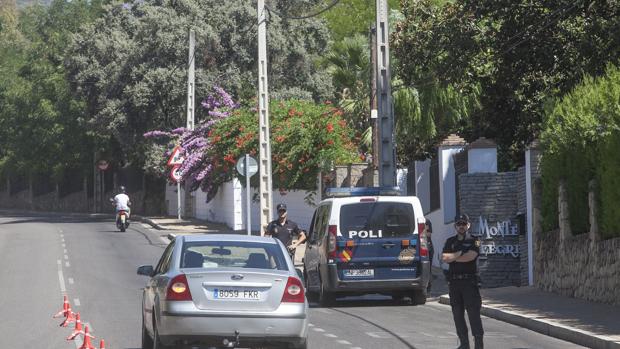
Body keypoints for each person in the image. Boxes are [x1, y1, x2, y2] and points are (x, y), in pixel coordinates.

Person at [441, 214, 484, 349]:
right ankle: (464, 344)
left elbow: (471, 257)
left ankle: (478, 345)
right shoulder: (449, 241)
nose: (461, 226)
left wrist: (453, 256)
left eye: (464, 224)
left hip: (469, 283)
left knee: (473, 314)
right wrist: (460, 253)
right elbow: (444, 257)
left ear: (468, 225)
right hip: (454, 284)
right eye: (459, 223)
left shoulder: (475, 240)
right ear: (455, 225)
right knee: (457, 315)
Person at [425, 220, 434, 293]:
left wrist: (422, 230)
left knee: (428, 269)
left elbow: (429, 234)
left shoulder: (427, 221)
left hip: (428, 248)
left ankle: (428, 289)